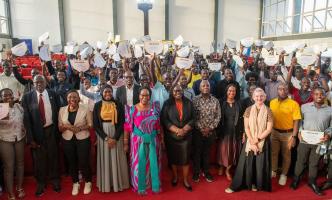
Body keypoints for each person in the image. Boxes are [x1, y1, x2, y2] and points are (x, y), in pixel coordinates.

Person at [225, 88, 273, 193]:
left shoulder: (268, 110)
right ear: (253, 97)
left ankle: (256, 184)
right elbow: (246, 127)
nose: (259, 98)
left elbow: (269, 129)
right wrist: (252, 141)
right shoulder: (248, 109)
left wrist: (257, 140)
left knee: (259, 165)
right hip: (250, 141)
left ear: (264, 97)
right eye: (256, 96)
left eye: (261, 96)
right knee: (245, 164)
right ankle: (239, 185)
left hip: (262, 141)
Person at [21, 75, 61, 197]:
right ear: (33, 84)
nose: (39, 84)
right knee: (39, 160)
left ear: (45, 83)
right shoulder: (27, 97)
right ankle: (41, 183)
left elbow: (58, 113)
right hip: (36, 134)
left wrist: (58, 134)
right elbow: (26, 120)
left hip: (51, 130)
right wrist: (31, 139)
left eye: (41, 82)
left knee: (53, 157)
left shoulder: (53, 94)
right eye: (36, 82)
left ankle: (55, 181)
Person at [290, 87, 332, 196]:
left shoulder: (330, 110)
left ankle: (312, 181)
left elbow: (331, 127)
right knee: (301, 160)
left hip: (320, 142)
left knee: (314, 163)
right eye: (316, 94)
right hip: (304, 140)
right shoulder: (304, 107)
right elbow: (299, 121)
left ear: (325, 96)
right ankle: (296, 179)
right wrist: (299, 131)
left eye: (321, 94)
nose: (319, 96)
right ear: (312, 95)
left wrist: (328, 134)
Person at [124, 86, 162, 194]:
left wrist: (161, 138)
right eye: (142, 95)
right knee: (139, 163)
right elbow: (127, 127)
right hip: (137, 141)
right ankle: (139, 185)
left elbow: (158, 125)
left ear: (150, 96)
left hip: (153, 140)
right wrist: (126, 142)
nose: (144, 97)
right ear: (139, 96)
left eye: (147, 95)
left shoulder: (155, 107)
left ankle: (153, 184)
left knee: (152, 161)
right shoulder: (131, 109)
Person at [93, 85, 130, 192]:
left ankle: (119, 183)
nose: (108, 94)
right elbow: (96, 125)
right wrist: (106, 138)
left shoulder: (118, 104)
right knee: (106, 159)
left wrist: (115, 138)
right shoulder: (97, 105)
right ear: (101, 93)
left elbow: (122, 122)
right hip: (103, 135)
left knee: (118, 157)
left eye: (109, 92)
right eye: (105, 92)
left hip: (116, 134)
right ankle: (107, 184)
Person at [58, 90, 93, 195]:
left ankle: (88, 181)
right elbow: (60, 128)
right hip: (67, 139)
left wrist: (80, 128)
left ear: (78, 98)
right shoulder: (62, 110)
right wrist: (67, 126)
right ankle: (75, 182)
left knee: (84, 161)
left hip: (83, 138)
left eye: (74, 97)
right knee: (71, 162)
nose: (72, 99)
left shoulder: (85, 108)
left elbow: (90, 125)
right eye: (70, 97)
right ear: (67, 99)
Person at [161, 85, 195, 191]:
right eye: (175, 90)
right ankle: (175, 177)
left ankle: (185, 180)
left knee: (185, 160)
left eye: (179, 90)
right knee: (173, 158)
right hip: (171, 136)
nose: (177, 92)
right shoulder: (167, 103)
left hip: (186, 136)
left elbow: (194, 118)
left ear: (182, 91)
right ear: (172, 92)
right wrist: (176, 130)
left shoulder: (189, 102)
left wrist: (185, 129)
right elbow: (164, 119)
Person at [270, 83, 301, 186]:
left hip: (288, 134)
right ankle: (273, 170)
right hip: (274, 132)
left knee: (286, 156)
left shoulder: (294, 104)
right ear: (277, 90)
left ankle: (284, 174)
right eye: (280, 89)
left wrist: (294, 137)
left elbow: (296, 121)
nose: (283, 91)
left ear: (288, 91)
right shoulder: (272, 102)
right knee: (273, 153)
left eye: (285, 89)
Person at [192, 80, 221, 183]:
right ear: (200, 88)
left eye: (207, 85)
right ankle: (196, 172)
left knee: (207, 152)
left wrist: (210, 128)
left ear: (210, 87)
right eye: (203, 85)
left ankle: (206, 171)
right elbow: (193, 117)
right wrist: (201, 129)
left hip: (210, 131)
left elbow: (218, 117)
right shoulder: (194, 100)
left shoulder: (215, 101)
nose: (205, 87)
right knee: (197, 152)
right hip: (197, 131)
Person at [0, 88, 25, 200]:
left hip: (19, 138)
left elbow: (23, 121)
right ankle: (11, 193)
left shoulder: (18, 107)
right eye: (5, 95)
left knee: (20, 164)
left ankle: (19, 188)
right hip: (5, 139)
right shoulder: (0, 109)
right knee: (9, 167)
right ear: (1, 97)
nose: (8, 97)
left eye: (10, 94)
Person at [217, 84, 244, 180]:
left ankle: (227, 170)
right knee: (223, 151)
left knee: (232, 151)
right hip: (225, 131)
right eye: (230, 91)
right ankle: (221, 166)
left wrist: (243, 132)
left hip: (236, 131)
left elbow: (243, 119)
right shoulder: (221, 103)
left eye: (233, 91)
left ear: (236, 93)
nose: (231, 93)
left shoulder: (239, 103)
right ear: (226, 92)